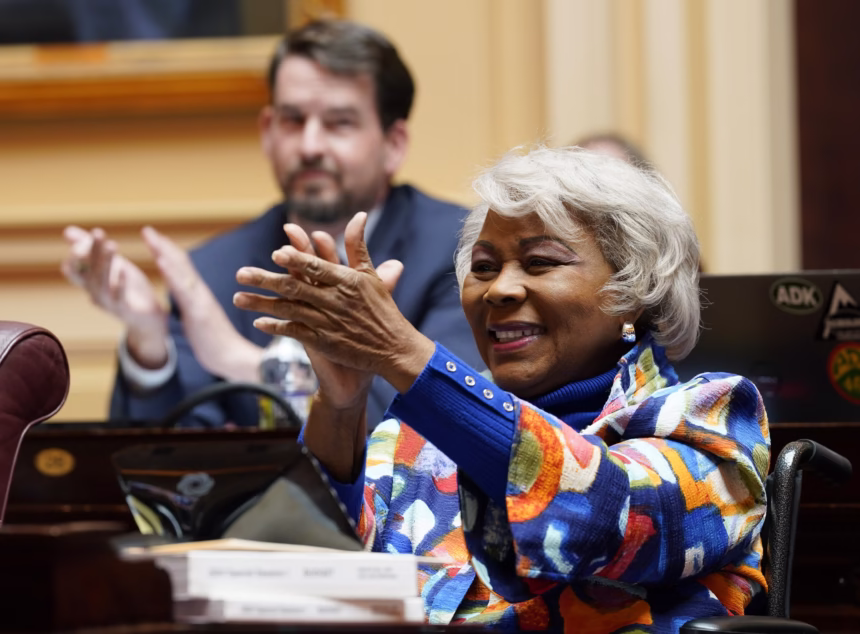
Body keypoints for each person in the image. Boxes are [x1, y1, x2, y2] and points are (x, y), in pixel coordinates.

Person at [233, 146, 769, 631]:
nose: (500, 289)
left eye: (540, 262)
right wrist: (340, 403)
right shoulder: (415, 438)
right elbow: (300, 578)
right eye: (484, 268)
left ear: (633, 290)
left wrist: (405, 354)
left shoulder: (710, 416)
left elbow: (608, 519)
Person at [61, 19, 481, 428]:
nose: (310, 146)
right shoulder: (213, 271)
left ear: (393, 145)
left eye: (339, 123)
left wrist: (246, 365)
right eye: (293, 120)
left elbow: (443, 419)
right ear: (267, 130)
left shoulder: (459, 252)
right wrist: (150, 344)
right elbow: (176, 456)